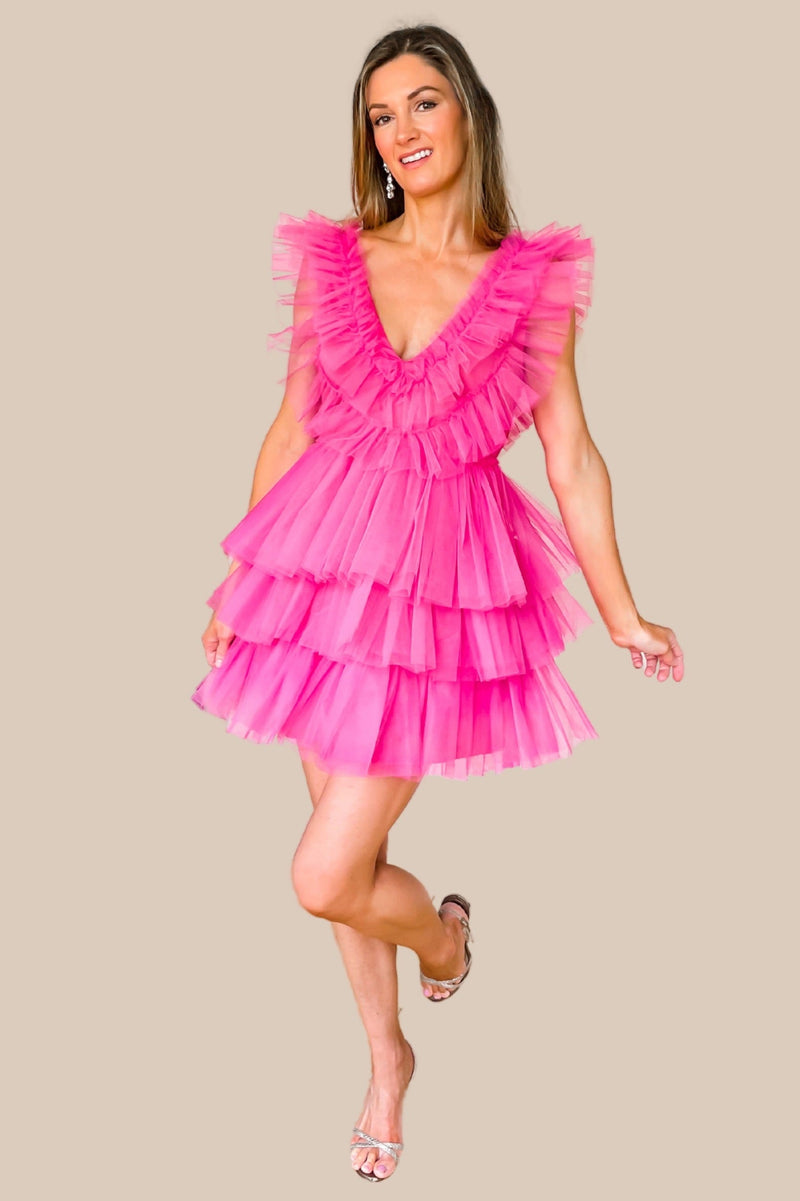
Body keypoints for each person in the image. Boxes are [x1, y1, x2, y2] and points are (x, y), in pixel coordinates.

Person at [191, 22, 684, 1183]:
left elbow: (569, 456)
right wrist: (241, 580)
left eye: (421, 103)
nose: (400, 132)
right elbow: (290, 426)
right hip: (316, 578)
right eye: (379, 115)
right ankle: (386, 1062)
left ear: (467, 110)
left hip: (437, 597)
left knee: (324, 872)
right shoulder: (338, 260)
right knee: (346, 864)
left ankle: (447, 941)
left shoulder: (529, 282)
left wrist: (621, 610)